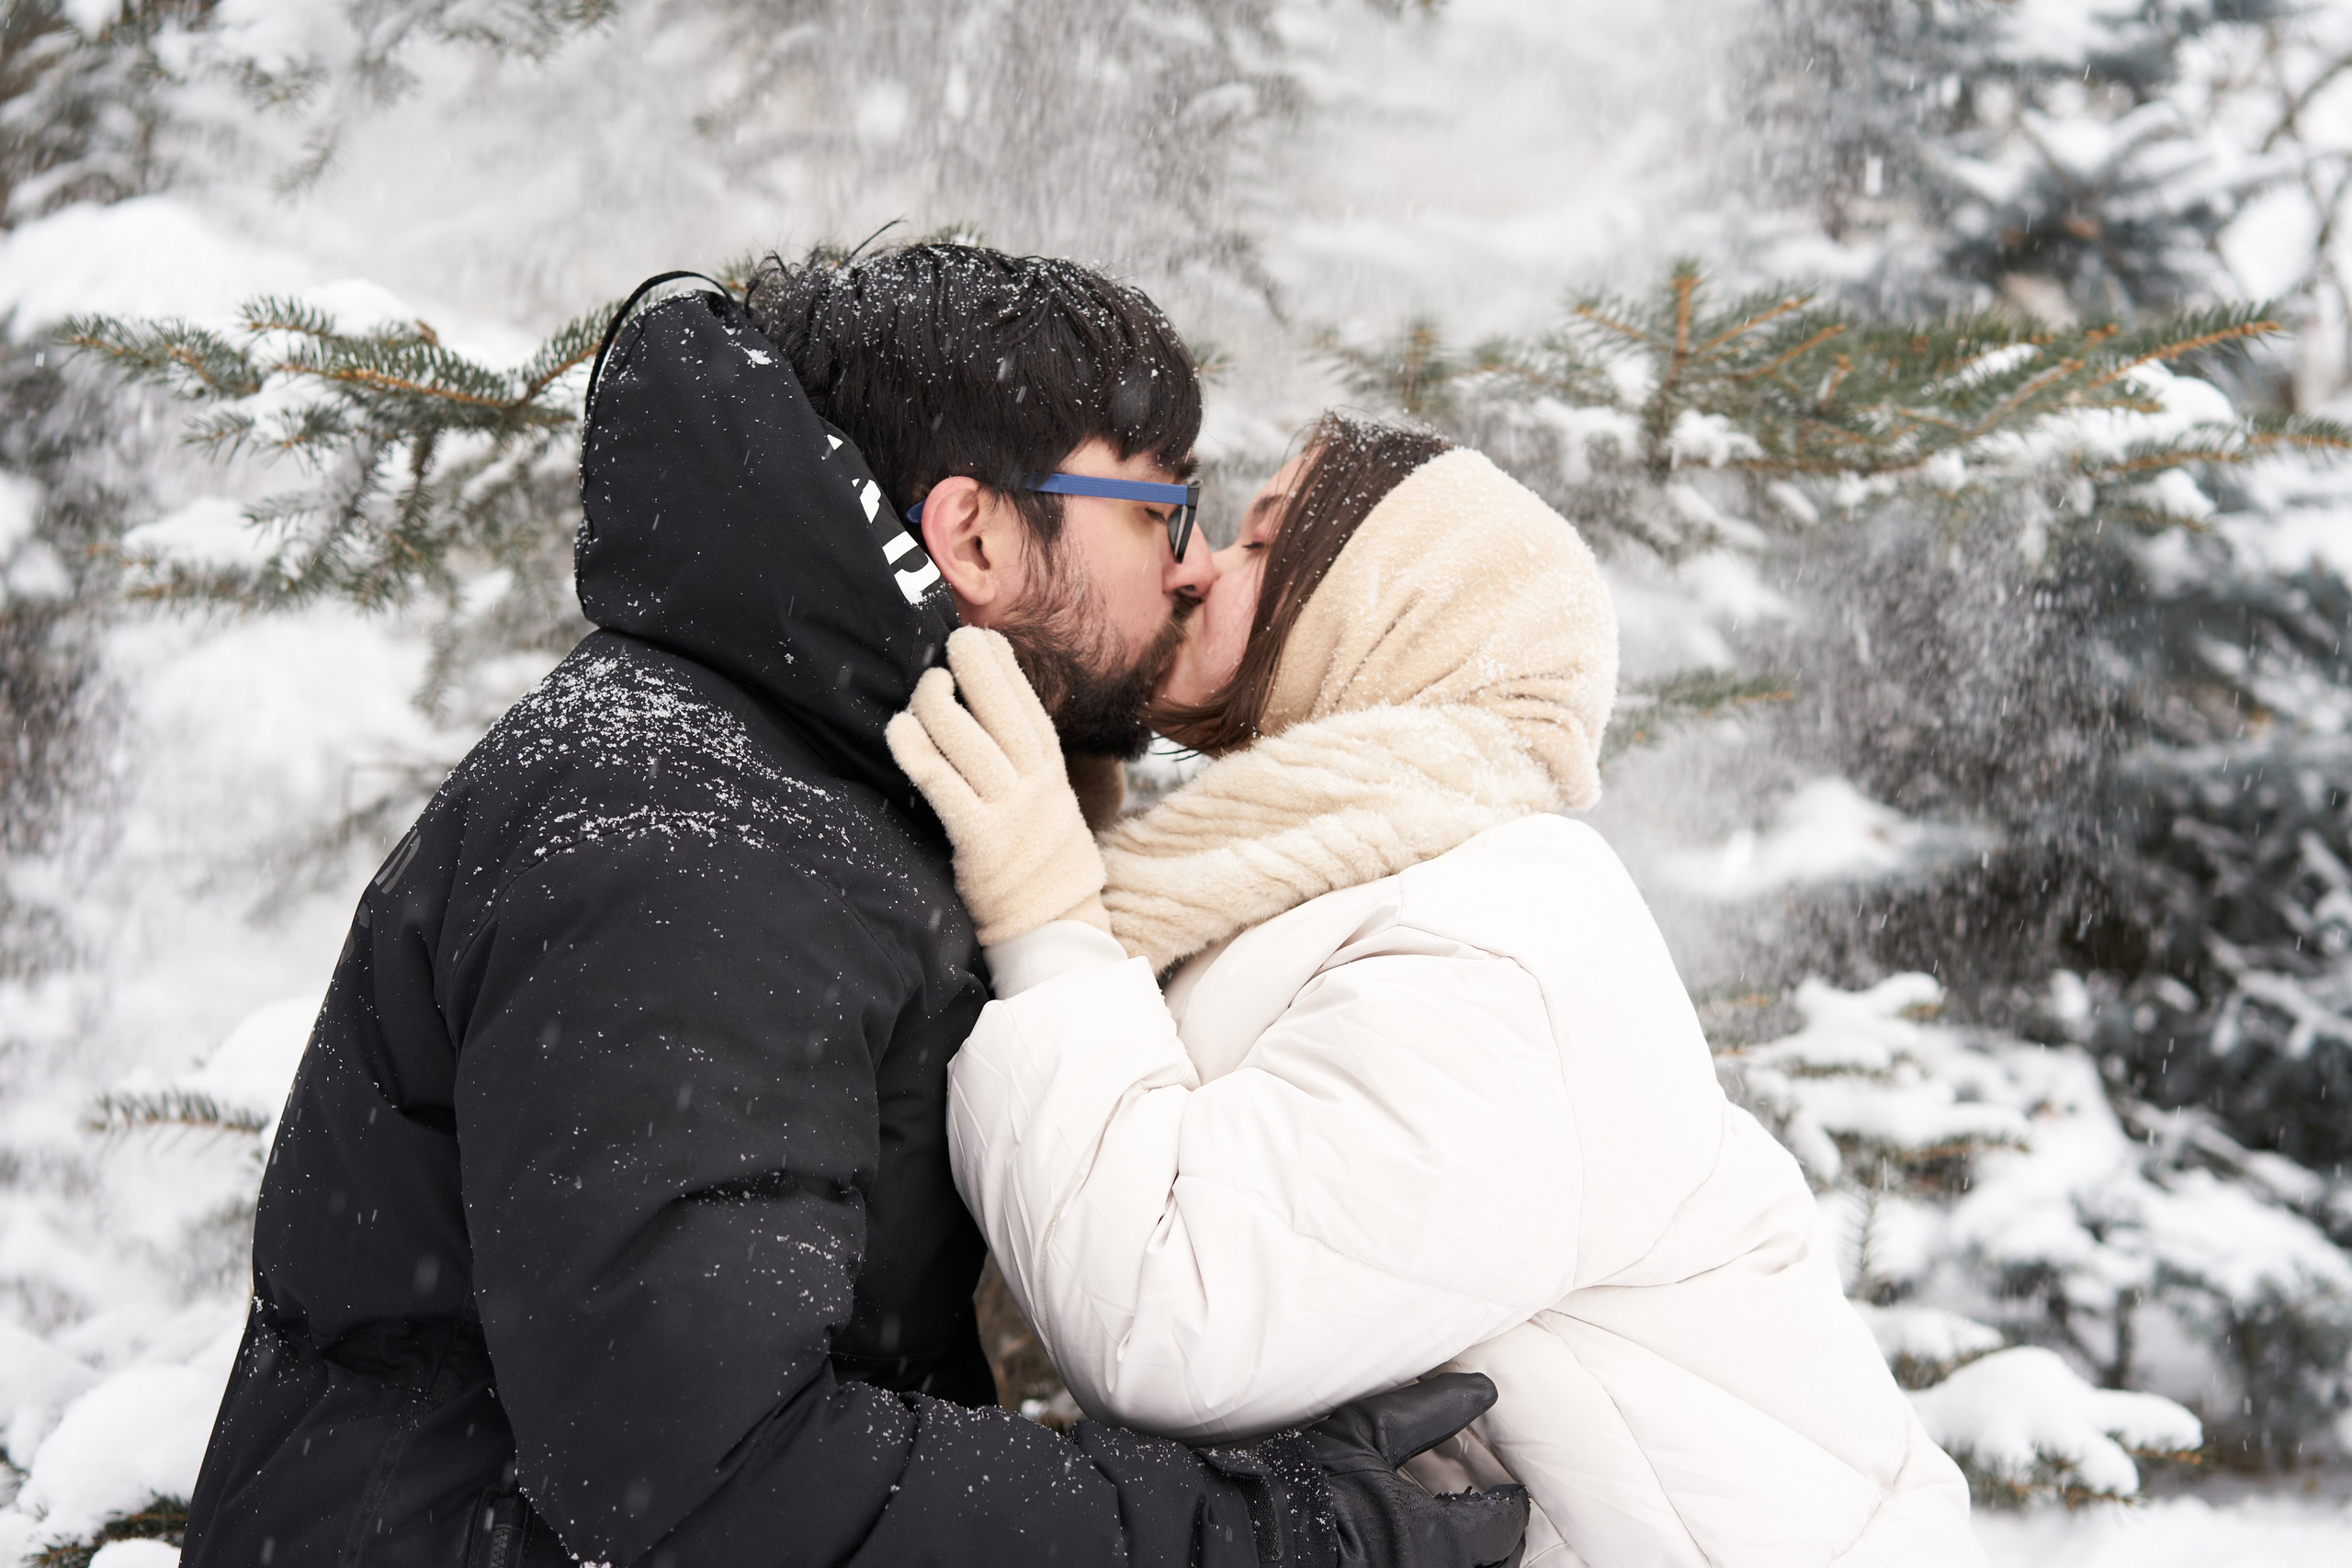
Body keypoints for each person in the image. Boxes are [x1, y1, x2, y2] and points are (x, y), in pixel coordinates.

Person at [181, 254, 1528, 1568]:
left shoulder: (806, 779)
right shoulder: (691, 837)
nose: (1189, 569)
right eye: (1157, 512)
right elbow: (703, 1478)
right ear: (979, 533)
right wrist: (1261, 1529)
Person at [888, 413, 1992, 1568]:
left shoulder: (1503, 944)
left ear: (1386, 610)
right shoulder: (1329, 884)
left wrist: (1051, 919)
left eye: (1267, 545)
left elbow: (1173, 1319)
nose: (1202, 561)